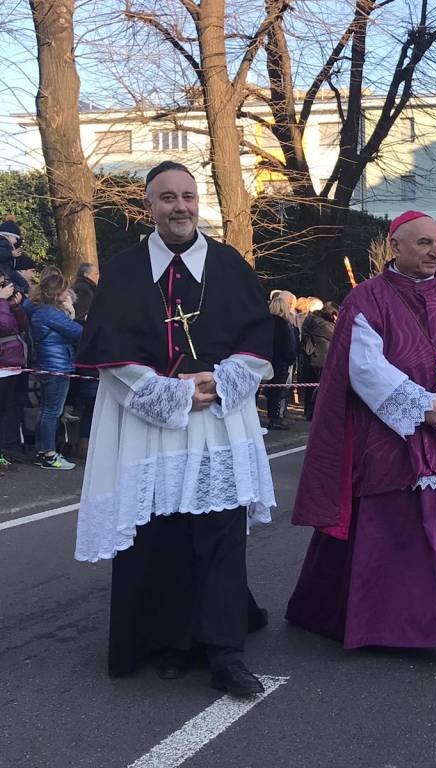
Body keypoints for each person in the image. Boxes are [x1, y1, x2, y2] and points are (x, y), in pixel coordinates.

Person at [74, 161, 276, 697]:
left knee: (221, 536)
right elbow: (111, 354)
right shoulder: (123, 270)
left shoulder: (230, 265)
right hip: (153, 426)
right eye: (167, 198)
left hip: (218, 425)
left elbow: (259, 341)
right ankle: (170, 641)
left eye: (188, 195)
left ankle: (225, 652)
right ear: (148, 206)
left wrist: (221, 382)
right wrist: (174, 393)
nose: (180, 206)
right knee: (160, 537)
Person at [286, 210, 436, 663]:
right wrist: (421, 406)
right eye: (423, 244)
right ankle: (388, 624)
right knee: (396, 535)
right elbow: (364, 365)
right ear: (396, 246)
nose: (435, 252)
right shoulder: (367, 299)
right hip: (391, 437)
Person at [28, 267, 82, 469]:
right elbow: (77, 332)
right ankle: (49, 453)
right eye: (65, 291)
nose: (69, 294)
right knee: (53, 410)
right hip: (57, 365)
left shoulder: (39, 310)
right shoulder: (51, 314)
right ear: (58, 294)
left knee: (46, 409)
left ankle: (43, 450)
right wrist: (72, 313)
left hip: (47, 363)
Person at [71, 262, 101, 459]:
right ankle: (84, 447)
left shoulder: (84, 289)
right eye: (97, 273)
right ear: (89, 274)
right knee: (90, 408)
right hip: (88, 362)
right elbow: (86, 319)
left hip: (84, 362)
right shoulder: (85, 290)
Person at [0, 275, 28, 473]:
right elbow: (4, 326)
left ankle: (6, 451)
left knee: (10, 410)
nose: (5, 287)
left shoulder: (4, 304)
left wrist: (16, 307)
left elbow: (22, 326)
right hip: (3, 365)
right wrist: (2, 300)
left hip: (14, 364)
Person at [299, 301, 337, 420]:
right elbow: (335, 334)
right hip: (321, 358)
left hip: (313, 357)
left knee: (311, 388)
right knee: (318, 388)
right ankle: (315, 413)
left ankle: (310, 412)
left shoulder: (312, 319)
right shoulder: (321, 323)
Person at [265, 292, 296, 430]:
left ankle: (275, 416)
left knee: (274, 391)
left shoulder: (268, 323)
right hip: (280, 361)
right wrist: (290, 357)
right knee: (277, 391)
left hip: (272, 359)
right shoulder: (282, 324)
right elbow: (285, 344)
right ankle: (275, 418)